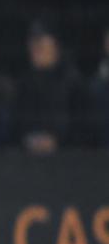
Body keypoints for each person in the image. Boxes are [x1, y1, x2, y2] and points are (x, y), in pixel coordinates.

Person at [14, 22, 79, 155]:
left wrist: (58, 141)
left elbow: (85, 127)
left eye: (41, 46)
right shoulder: (25, 83)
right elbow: (16, 123)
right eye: (33, 46)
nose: (36, 50)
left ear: (55, 46)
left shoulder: (73, 82)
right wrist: (28, 140)